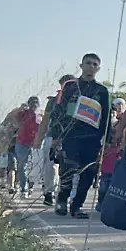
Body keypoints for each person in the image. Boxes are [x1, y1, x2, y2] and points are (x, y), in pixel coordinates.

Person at [48, 54, 111, 218]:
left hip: (92, 138)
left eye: (95, 64)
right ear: (81, 65)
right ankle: (62, 200)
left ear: (98, 68)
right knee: (68, 169)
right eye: (88, 63)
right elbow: (58, 112)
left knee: (88, 173)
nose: (91, 66)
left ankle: (77, 206)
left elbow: (106, 117)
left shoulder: (102, 91)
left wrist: (107, 139)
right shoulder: (70, 87)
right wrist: (56, 136)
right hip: (71, 136)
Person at [33, 75, 76, 206]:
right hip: (53, 136)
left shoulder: (79, 100)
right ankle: (48, 192)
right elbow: (45, 121)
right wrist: (38, 139)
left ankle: (66, 195)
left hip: (72, 138)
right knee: (50, 166)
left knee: (70, 168)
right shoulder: (53, 102)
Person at [6, 97, 41, 195]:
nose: (34, 105)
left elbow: (43, 128)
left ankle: (31, 186)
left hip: (35, 144)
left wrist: (38, 141)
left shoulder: (40, 115)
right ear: (29, 104)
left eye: (36, 103)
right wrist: (19, 123)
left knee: (34, 167)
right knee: (22, 166)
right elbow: (12, 116)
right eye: (32, 103)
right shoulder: (23, 113)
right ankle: (24, 188)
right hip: (22, 142)